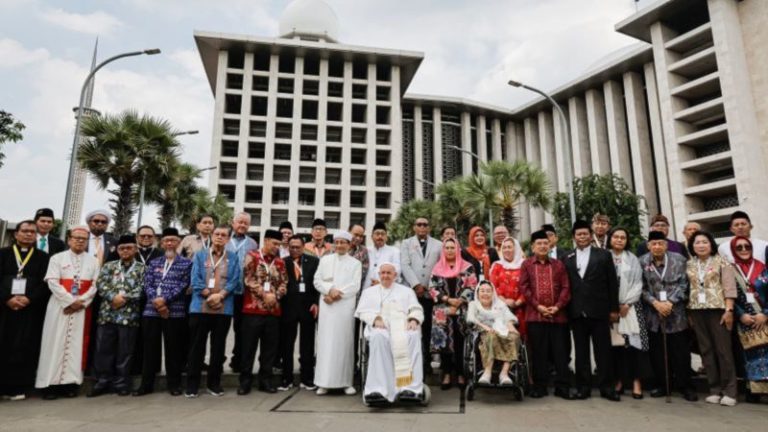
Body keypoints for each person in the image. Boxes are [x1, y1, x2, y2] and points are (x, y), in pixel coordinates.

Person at [36, 226, 100, 400]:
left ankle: (70, 384)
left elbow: (95, 285)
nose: (80, 241)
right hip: (59, 307)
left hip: (81, 309)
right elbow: (52, 282)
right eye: (76, 237)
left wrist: (81, 302)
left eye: (83, 238)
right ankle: (49, 384)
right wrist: (70, 301)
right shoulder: (57, 258)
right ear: (69, 239)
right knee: (53, 344)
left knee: (76, 345)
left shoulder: (93, 261)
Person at [564, 220, 620, 401]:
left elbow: (612, 283)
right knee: (581, 353)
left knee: (603, 351)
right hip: (577, 312)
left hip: (599, 310)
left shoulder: (603, 255)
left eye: (585, 234)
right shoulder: (567, 257)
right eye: (578, 234)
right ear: (574, 237)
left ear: (591, 235)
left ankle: (607, 388)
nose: (582, 237)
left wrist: (614, 309)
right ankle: (583, 387)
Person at [133, 228, 192, 397]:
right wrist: (157, 302)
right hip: (151, 311)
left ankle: (174, 384)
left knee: (174, 350)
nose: (170, 243)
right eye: (167, 240)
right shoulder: (154, 262)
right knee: (149, 349)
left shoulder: (186, 263)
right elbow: (147, 284)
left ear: (179, 243)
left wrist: (165, 300)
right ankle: (146, 385)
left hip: (175, 312)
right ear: (161, 242)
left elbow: (183, 285)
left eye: (173, 240)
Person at [639, 231, 698, 401]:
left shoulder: (679, 259)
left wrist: (670, 302)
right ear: (649, 246)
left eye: (660, 243)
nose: (657, 247)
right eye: (653, 244)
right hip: (653, 314)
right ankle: (663, 385)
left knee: (680, 353)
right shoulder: (642, 261)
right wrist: (655, 303)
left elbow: (685, 284)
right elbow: (640, 287)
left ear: (666, 244)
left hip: (676, 314)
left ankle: (685, 386)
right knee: (657, 353)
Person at [355, 262, 424, 404]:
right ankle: (379, 389)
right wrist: (375, 319)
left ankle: (410, 388)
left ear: (395, 275)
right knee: (378, 336)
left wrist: (413, 320)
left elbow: (416, 309)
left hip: (402, 326)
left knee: (413, 335)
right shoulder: (369, 292)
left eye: (389, 273)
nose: (385, 276)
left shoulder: (406, 291)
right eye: (383, 273)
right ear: (379, 274)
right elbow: (362, 312)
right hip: (381, 326)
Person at [186, 225, 241, 398]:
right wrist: (210, 295)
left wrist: (221, 296)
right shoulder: (200, 255)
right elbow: (195, 278)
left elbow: (234, 280)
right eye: (217, 234)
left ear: (228, 239)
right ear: (212, 235)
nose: (219, 237)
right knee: (196, 347)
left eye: (224, 235)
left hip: (223, 309)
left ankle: (214, 384)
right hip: (200, 307)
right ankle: (192, 385)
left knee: (218, 347)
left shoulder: (232, 257)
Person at [686, 230, 738, 406]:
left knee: (723, 350)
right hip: (697, 310)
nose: (701, 245)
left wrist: (729, 310)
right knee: (706, 350)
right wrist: (689, 314)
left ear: (711, 244)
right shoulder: (689, 264)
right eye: (697, 242)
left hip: (718, 309)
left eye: (704, 242)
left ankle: (730, 391)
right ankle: (714, 389)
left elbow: (730, 287)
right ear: (692, 246)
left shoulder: (722, 262)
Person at [89, 234, 145, 397]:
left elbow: (143, 288)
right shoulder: (109, 266)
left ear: (135, 249)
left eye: (129, 248)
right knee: (103, 350)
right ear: (117, 250)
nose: (125, 251)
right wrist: (113, 297)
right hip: (107, 314)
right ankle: (102, 381)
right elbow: (100, 283)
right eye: (122, 248)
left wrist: (124, 298)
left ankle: (121, 383)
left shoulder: (142, 268)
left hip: (129, 316)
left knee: (125, 352)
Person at [0, 221, 51, 400]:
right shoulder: (3, 254)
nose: (28, 235)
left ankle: (18, 387)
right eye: (25, 231)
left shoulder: (43, 257)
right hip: (5, 308)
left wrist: (29, 298)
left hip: (30, 309)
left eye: (32, 232)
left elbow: (46, 283)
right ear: (16, 234)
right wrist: (7, 298)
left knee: (24, 346)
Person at [519, 230, 572, 399]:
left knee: (560, 353)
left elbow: (566, 288)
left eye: (545, 243)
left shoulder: (558, 265)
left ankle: (562, 386)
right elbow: (524, 288)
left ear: (550, 245)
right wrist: (538, 306)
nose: (542, 246)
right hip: (535, 316)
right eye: (539, 244)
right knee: (539, 353)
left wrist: (557, 307)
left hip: (558, 317)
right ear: (533, 247)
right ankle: (540, 386)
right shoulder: (526, 264)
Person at [238, 230, 287, 395]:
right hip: (252, 310)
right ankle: (245, 382)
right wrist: (264, 294)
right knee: (248, 348)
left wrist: (276, 295)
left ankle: (265, 381)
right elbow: (248, 279)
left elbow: (284, 282)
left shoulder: (280, 262)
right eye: (274, 243)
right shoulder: (252, 256)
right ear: (265, 241)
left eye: (279, 245)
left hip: (273, 311)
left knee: (269, 350)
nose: (276, 247)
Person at [314, 231, 362, 395]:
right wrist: (329, 290)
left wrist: (336, 294)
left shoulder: (356, 263)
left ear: (349, 245)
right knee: (326, 343)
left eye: (344, 242)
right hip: (327, 307)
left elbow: (355, 286)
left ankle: (345, 382)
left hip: (344, 307)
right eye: (338, 242)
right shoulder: (325, 260)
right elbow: (317, 280)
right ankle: (323, 382)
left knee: (344, 343)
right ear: (334, 244)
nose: (340, 245)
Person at [429, 238, 478, 390]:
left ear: (457, 249)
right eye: (447, 248)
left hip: (461, 309)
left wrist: (460, 300)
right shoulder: (437, 268)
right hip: (442, 311)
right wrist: (447, 299)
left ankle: (461, 373)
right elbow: (432, 288)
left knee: (460, 340)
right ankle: (447, 374)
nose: (449, 250)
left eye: (452, 247)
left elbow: (472, 285)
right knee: (443, 343)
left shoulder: (467, 267)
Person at [608, 227, 649, 400]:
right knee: (616, 348)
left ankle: (636, 382)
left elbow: (639, 283)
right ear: (610, 239)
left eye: (623, 237)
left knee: (634, 346)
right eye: (616, 237)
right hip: (611, 311)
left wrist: (627, 303)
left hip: (631, 309)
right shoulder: (604, 257)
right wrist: (613, 307)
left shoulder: (632, 259)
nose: (619, 240)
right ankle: (618, 381)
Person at [278, 235, 320, 391]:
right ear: (288, 247)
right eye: (292, 247)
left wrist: (316, 302)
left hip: (307, 307)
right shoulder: (283, 262)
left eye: (298, 247)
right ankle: (286, 379)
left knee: (307, 345)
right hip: (288, 308)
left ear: (304, 247)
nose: (294, 249)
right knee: (287, 345)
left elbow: (317, 284)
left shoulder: (314, 262)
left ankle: (307, 378)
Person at [400, 217, 442, 374]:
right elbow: (405, 265)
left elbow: (439, 267)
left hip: (430, 293)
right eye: (419, 224)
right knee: (412, 326)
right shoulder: (406, 243)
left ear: (429, 228)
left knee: (428, 328)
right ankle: (412, 361)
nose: (422, 227)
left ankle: (426, 364)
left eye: (425, 224)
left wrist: (430, 286)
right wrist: (416, 285)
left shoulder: (439, 244)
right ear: (414, 227)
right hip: (412, 292)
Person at [733, 236, 768, 402]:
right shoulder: (730, 270)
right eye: (739, 247)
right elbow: (729, 296)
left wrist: (765, 314)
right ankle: (753, 391)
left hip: (764, 318)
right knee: (749, 356)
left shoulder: (763, 268)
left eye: (746, 246)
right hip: (745, 320)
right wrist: (741, 315)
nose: (743, 249)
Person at [466, 280, 521, 385]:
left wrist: (510, 324)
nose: (485, 294)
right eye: (482, 291)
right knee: (492, 336)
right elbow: (470, 318)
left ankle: (504, 373)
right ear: (477, 293)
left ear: (493, 293)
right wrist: (485, 327)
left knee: (515, 336)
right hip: (483, 333)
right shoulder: (473, 304)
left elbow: (510, 317)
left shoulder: (500, 304)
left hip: (501, 330)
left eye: (488, 291)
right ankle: (487, 372)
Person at [226, 211, 258, 373]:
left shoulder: (252, 243)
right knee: (222, 328)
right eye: (240, 222)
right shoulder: (224, 240)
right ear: (233, 223)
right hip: (225, 293)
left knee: (241, 328)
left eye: (246, 223)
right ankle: (218, 360)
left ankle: (237, 359)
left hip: (244, 293)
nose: (242, 225)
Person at [489, 237, 526, 339]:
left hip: (522, 308)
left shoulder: (525, 265)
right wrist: (504, 301)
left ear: (516, 248)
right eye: (504, 247)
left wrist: (517, 302)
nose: (506, 250)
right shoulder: (497, 266)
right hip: (500, 308)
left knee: (522, 341)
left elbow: (528, 286)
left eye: (509, 247)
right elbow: (492, 287)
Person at [365, 221, 401, 289]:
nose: (380, 236)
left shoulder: (394, 251)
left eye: (383, 234)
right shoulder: (366, 250)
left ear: (386, 237)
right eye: (377, 234)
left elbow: (397, 270)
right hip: (366, 288)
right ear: (372, 236)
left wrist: (380, 282)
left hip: (386, 287)